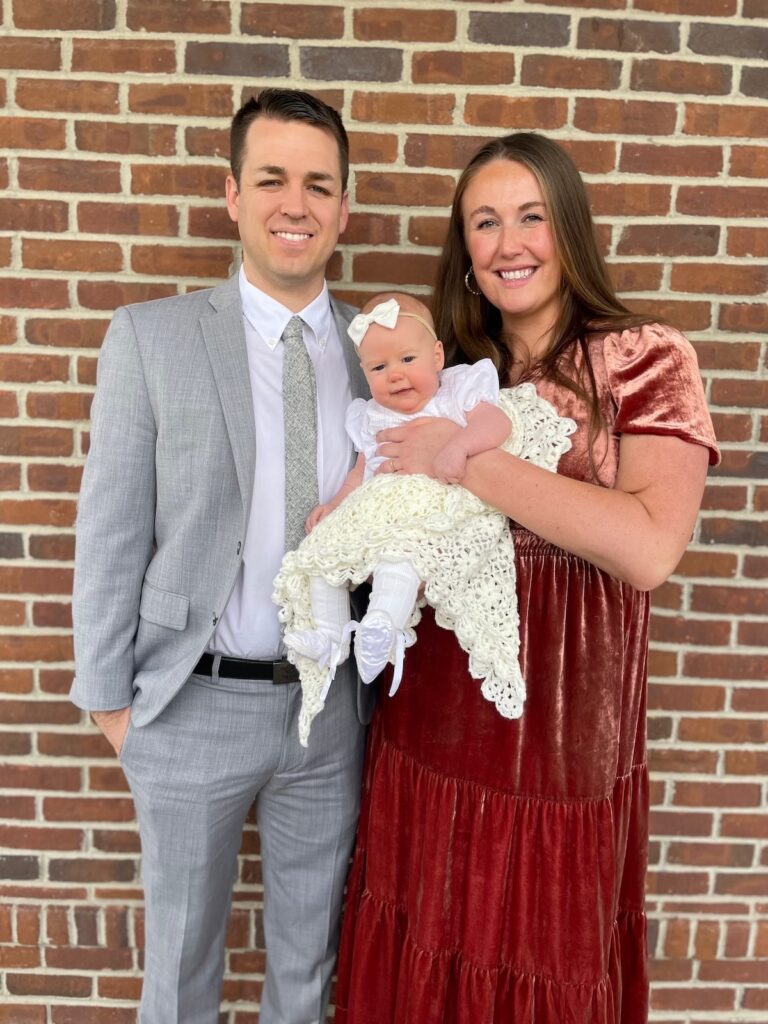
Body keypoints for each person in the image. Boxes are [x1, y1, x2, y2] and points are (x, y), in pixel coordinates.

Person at [333, 132, 719, 1023]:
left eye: (531, 217)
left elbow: (649, 548)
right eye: (484, 222)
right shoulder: (446, 371)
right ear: (465, 251)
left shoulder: (645, 358)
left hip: (561, 747)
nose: (509, 244)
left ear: (569, 228)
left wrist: (465, 460)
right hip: (429, 730)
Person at [70, 88, 374, 1024]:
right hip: (188, 704)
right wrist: (114, 708)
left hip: (328, 714)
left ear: (345, 207)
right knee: (179, 974)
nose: (296, 204)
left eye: (318, 185)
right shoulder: (152, 337)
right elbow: (110, 528)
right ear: (232, 194)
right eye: (272, 179)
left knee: (308, 971)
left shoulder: (378, 352)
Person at [274, 291, 576, 745]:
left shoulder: (457, 391)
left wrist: (459, 446)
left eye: (407, 359)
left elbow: (497, 425)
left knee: (403, 558)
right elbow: (362, 470)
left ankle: (383, 625)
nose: (395, 375)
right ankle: (330, 637)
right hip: (379, 508)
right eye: (379, 368)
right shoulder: (372, 416)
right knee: (322, 554)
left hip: (431, 507)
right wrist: (334, 507)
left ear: (437, 356)